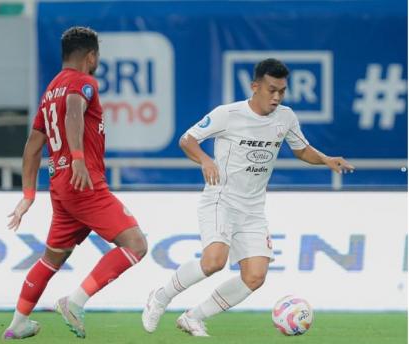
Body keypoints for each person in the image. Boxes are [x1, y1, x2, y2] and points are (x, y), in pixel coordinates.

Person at [142, 58, 354, 336]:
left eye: (282, 91)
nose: (277, 97)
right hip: (221, 199)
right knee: (214, 261)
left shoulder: (286, 117)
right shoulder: (227, 114)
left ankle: (194, 317)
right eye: (271, 90)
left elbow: (301, 150)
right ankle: (161, 296)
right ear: (255, 86)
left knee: (255, 276)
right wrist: (206, 160)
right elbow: (187, 139)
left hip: (253, 208)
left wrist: (326, 159)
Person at [3, 26, 147, 340]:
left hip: (61, 188)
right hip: (84, 183)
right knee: (136, 245)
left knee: (52, 258)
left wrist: (28, 194)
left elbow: (32, 145)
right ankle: (75, 301)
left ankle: (17, 324)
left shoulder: (51, 88)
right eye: (97, 57)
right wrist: (79, 157)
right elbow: (73, 112)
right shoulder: (84, 83)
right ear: (91, 56)